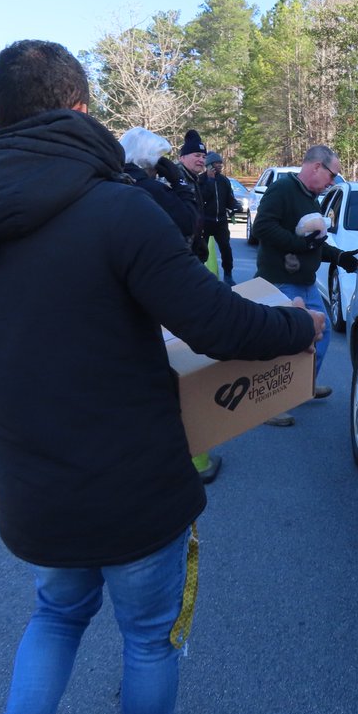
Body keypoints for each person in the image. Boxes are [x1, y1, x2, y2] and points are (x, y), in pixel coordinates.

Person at [0, 40, 324, 714]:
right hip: (134, 486)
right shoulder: (115, 210)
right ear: (79, 108)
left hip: (30, 485)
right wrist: (296, 328)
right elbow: (217, 325)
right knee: (149, 641)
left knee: (55, 616)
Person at [120, 127, 223, 485]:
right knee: (182, 368)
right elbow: (186, 219)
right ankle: (191, 457)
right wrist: (174, 179)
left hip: (151, 284)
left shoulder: (119, 183)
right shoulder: (143, 185)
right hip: (166, 285)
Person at [253, 144, 358, 426]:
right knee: (283, 344)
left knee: (319, 338)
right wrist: (299, 244)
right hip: (281, 282)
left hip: (305, 283)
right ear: (316, 167)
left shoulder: (311, 199)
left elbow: (315, 243)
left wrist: (339, 257)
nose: (333, 181)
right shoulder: (283, 190)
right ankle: (269, 406)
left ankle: (302, 387)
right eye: (332, 174)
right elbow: (263, 226)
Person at [199, 152, 241, 284]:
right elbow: (203, 197)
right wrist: (210, 180)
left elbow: (229, 199)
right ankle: (199, 275)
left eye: (221, 163)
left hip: (221, 222)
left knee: (226, 248)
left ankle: (228, 275)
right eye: (217, 163)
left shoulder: (224, 181)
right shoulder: (200, 180)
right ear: (210, 165)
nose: (220, 165)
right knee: (201, 250)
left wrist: (236, 205)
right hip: (205, 221)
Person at [176, 130, 208, 261]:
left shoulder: (193, 178)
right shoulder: (174, 177)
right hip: (177, 250)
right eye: (197, 155)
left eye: (204, 157)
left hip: (191, 248)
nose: (201, 160)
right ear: (182, 157)